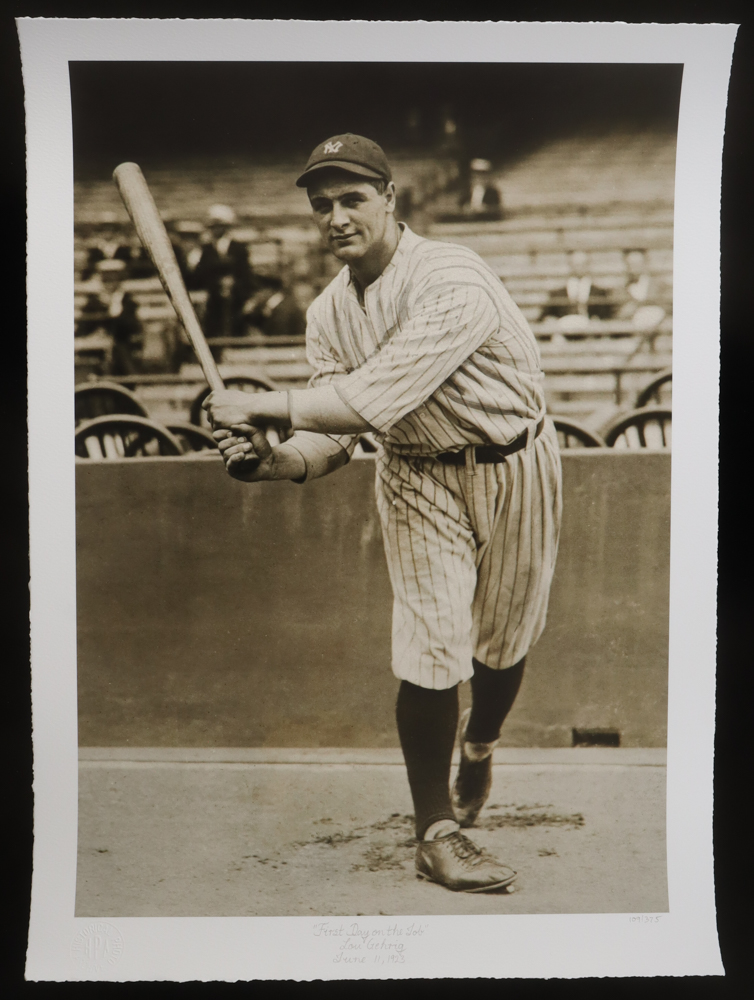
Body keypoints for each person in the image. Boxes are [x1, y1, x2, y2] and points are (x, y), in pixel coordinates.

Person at [204, 134, 563, 894]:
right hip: (416, 474)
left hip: (516, 458)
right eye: (322, 205)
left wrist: (264, 404)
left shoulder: (453, 276)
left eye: (353, 199)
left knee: (503, 643)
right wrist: (274, 460)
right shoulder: (327, 313)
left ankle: (481, 744)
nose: (336, 216)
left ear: (391, 199)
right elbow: (338, 435)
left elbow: (373, 397)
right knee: (431, 642)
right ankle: (435, 832)